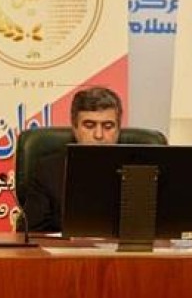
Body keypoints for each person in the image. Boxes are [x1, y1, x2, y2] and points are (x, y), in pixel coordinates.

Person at [21, 86, 123, 233]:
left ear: (118, 129)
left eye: (108, 126)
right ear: (75, 128)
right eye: (89, 126)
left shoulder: (140, 169)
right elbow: (29, 233)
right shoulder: (48, 171)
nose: (99, 135)